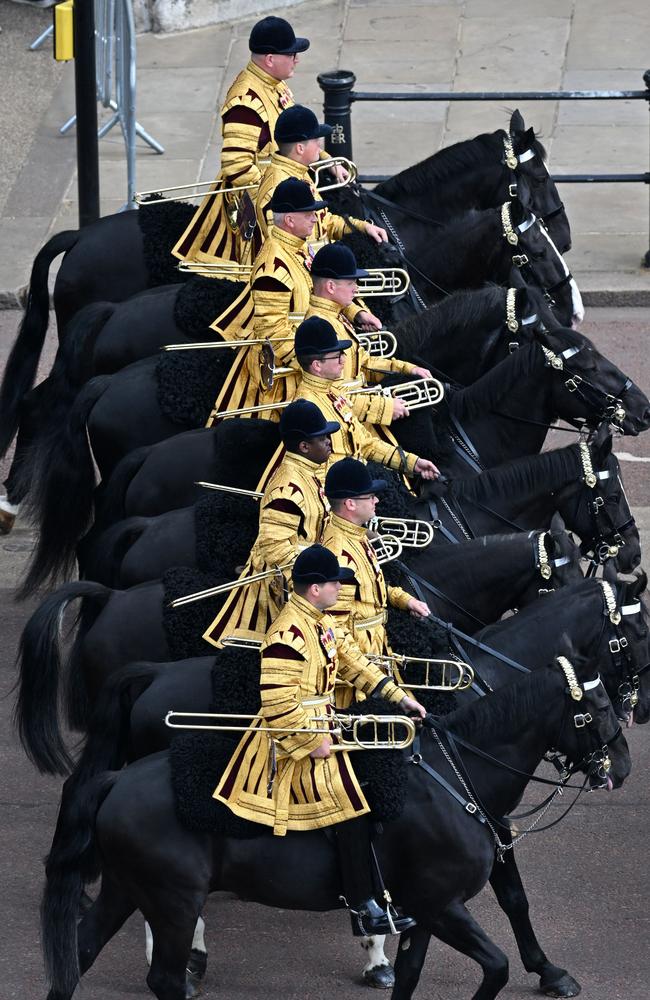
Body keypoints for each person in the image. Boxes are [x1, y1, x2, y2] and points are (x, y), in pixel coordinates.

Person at [214, 543, 426, 936]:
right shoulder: (287, 633)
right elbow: (276, 701)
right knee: (351, 807)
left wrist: (399, 697)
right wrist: (310, 740)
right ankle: (364, 908)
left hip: (324, 722)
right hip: (291, 741)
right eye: (334, 584)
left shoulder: (320, 621)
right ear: (315, 588)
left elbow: (352, 661)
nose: (340, 590)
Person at [206, 179, 347, 423]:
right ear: (290, 220)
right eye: (309, 214)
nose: (316, 218)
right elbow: (273, 330)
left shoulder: (297, 249)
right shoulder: (274, 266)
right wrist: (311, 363)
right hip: (285, 370)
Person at [173, 16, 308, 265]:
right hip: (257, 202)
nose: (296, 59)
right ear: (270, 59)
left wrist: (326, 160)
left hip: (287, 185)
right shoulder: (246, 102)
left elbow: (297, 136)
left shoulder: (276, 85)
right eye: (291, 54)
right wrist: (281, 202)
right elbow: (237, 167)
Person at [203, 400, 338, 648]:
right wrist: (313, 581)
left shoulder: (310, 473)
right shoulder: (288, 487)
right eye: (322, 438)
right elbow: (275, 549)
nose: (329, 440)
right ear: (305, 446)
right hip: (283, 582)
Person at [306, 243, 433, 426]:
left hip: (357, 409)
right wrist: (384, 408)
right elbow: (331, 395)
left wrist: (408, 369)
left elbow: (364, 363)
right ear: (331, 287)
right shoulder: (320, 328)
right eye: (350, 283)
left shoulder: (336, 317)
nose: (356, 289)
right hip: (346, 420)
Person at [322, 457, 430, 669]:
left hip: (377, 648)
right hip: (362, 664)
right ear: (350, 503)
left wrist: (405, 600)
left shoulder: (358, 536)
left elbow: (367, 587)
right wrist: (379, 683)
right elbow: (336, 630)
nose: (377, 501)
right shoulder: (339, 553)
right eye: (370, 496)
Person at [256, 105, 387, 247]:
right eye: (315, 140)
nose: (320, 145)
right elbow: (287, 251)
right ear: (300, 148)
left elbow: (323, 222)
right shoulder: (281, 189)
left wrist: (363, 226)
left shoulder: (297, 172)